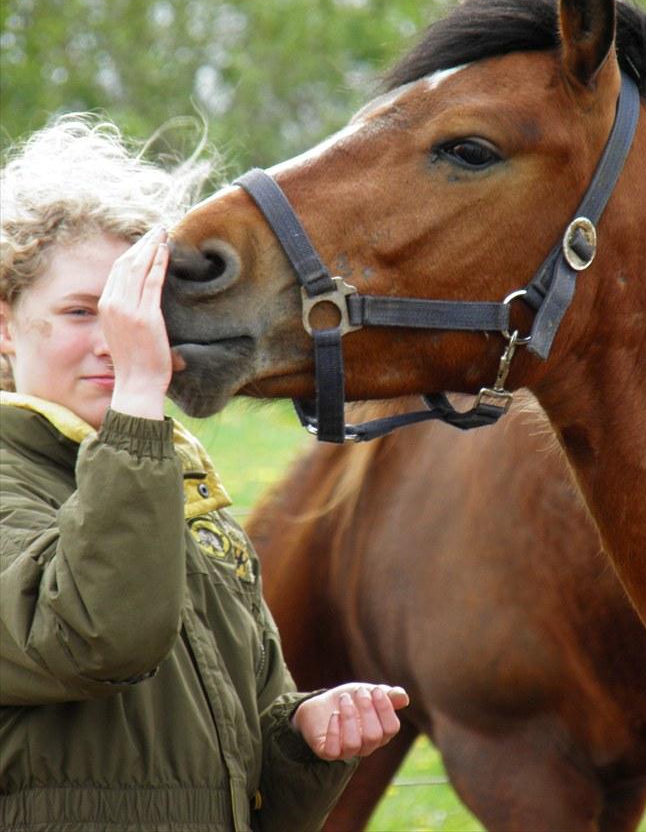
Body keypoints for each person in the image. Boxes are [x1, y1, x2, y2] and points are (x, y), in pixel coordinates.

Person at [0, 115, 409, 832]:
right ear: (5, 325)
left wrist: (302, 739)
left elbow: (244, 781)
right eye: (80, 312)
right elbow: (96, 638)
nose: (115, 343)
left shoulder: (178, 487)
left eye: (135, 315)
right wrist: (137, 398)